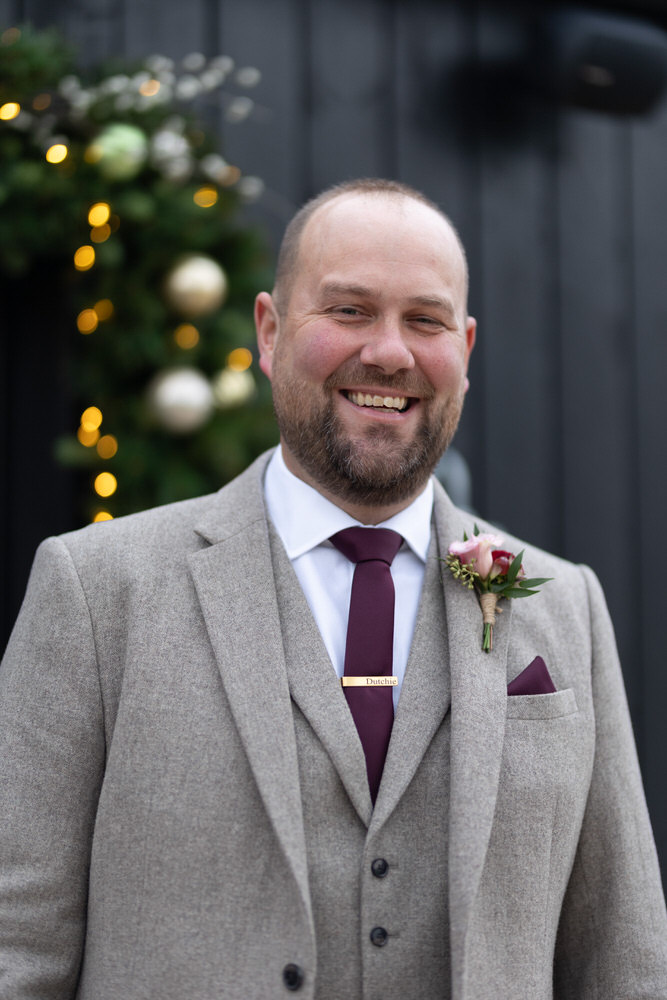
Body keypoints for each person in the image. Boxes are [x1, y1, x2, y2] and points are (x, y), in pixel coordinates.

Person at [1, 178, 666, 1000]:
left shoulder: (560, 603)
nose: (389, 352)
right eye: (348, 310)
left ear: (463, 349)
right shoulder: (99, 590)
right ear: (270, 332)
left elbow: (623, 956)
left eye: (423, 321)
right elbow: (15, 945)